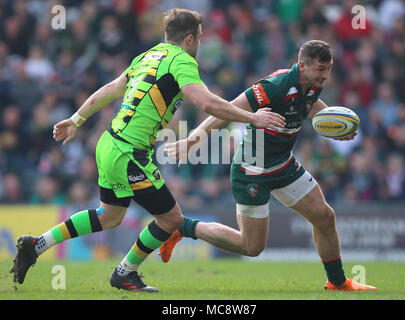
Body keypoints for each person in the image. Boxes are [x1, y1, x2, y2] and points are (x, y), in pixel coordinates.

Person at [10, 8, 284, 292]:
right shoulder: (182, 61)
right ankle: (124, 272)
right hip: (129, 152)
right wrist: (254, 117)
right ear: (190, 39)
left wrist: (76, 119)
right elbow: (207, 103)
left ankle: (37, 244)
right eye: (199, 39)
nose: (199, 44)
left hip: (109, 143)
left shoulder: (147, 56)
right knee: (171, 218)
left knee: (110, 216)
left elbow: (111, 88)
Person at [160, 40, 378, 291]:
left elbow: (310, 104)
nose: (325, 75)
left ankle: (337, 282)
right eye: (320, 69)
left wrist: (333, 123)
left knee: (325, 217)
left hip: (283, 165)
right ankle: (184, 227)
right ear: (302, 65)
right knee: (251, 247)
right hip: (251, 171)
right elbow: (225, 111)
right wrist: (191, 141)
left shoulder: (312, 83)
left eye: (328, 69)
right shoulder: (275, 86)